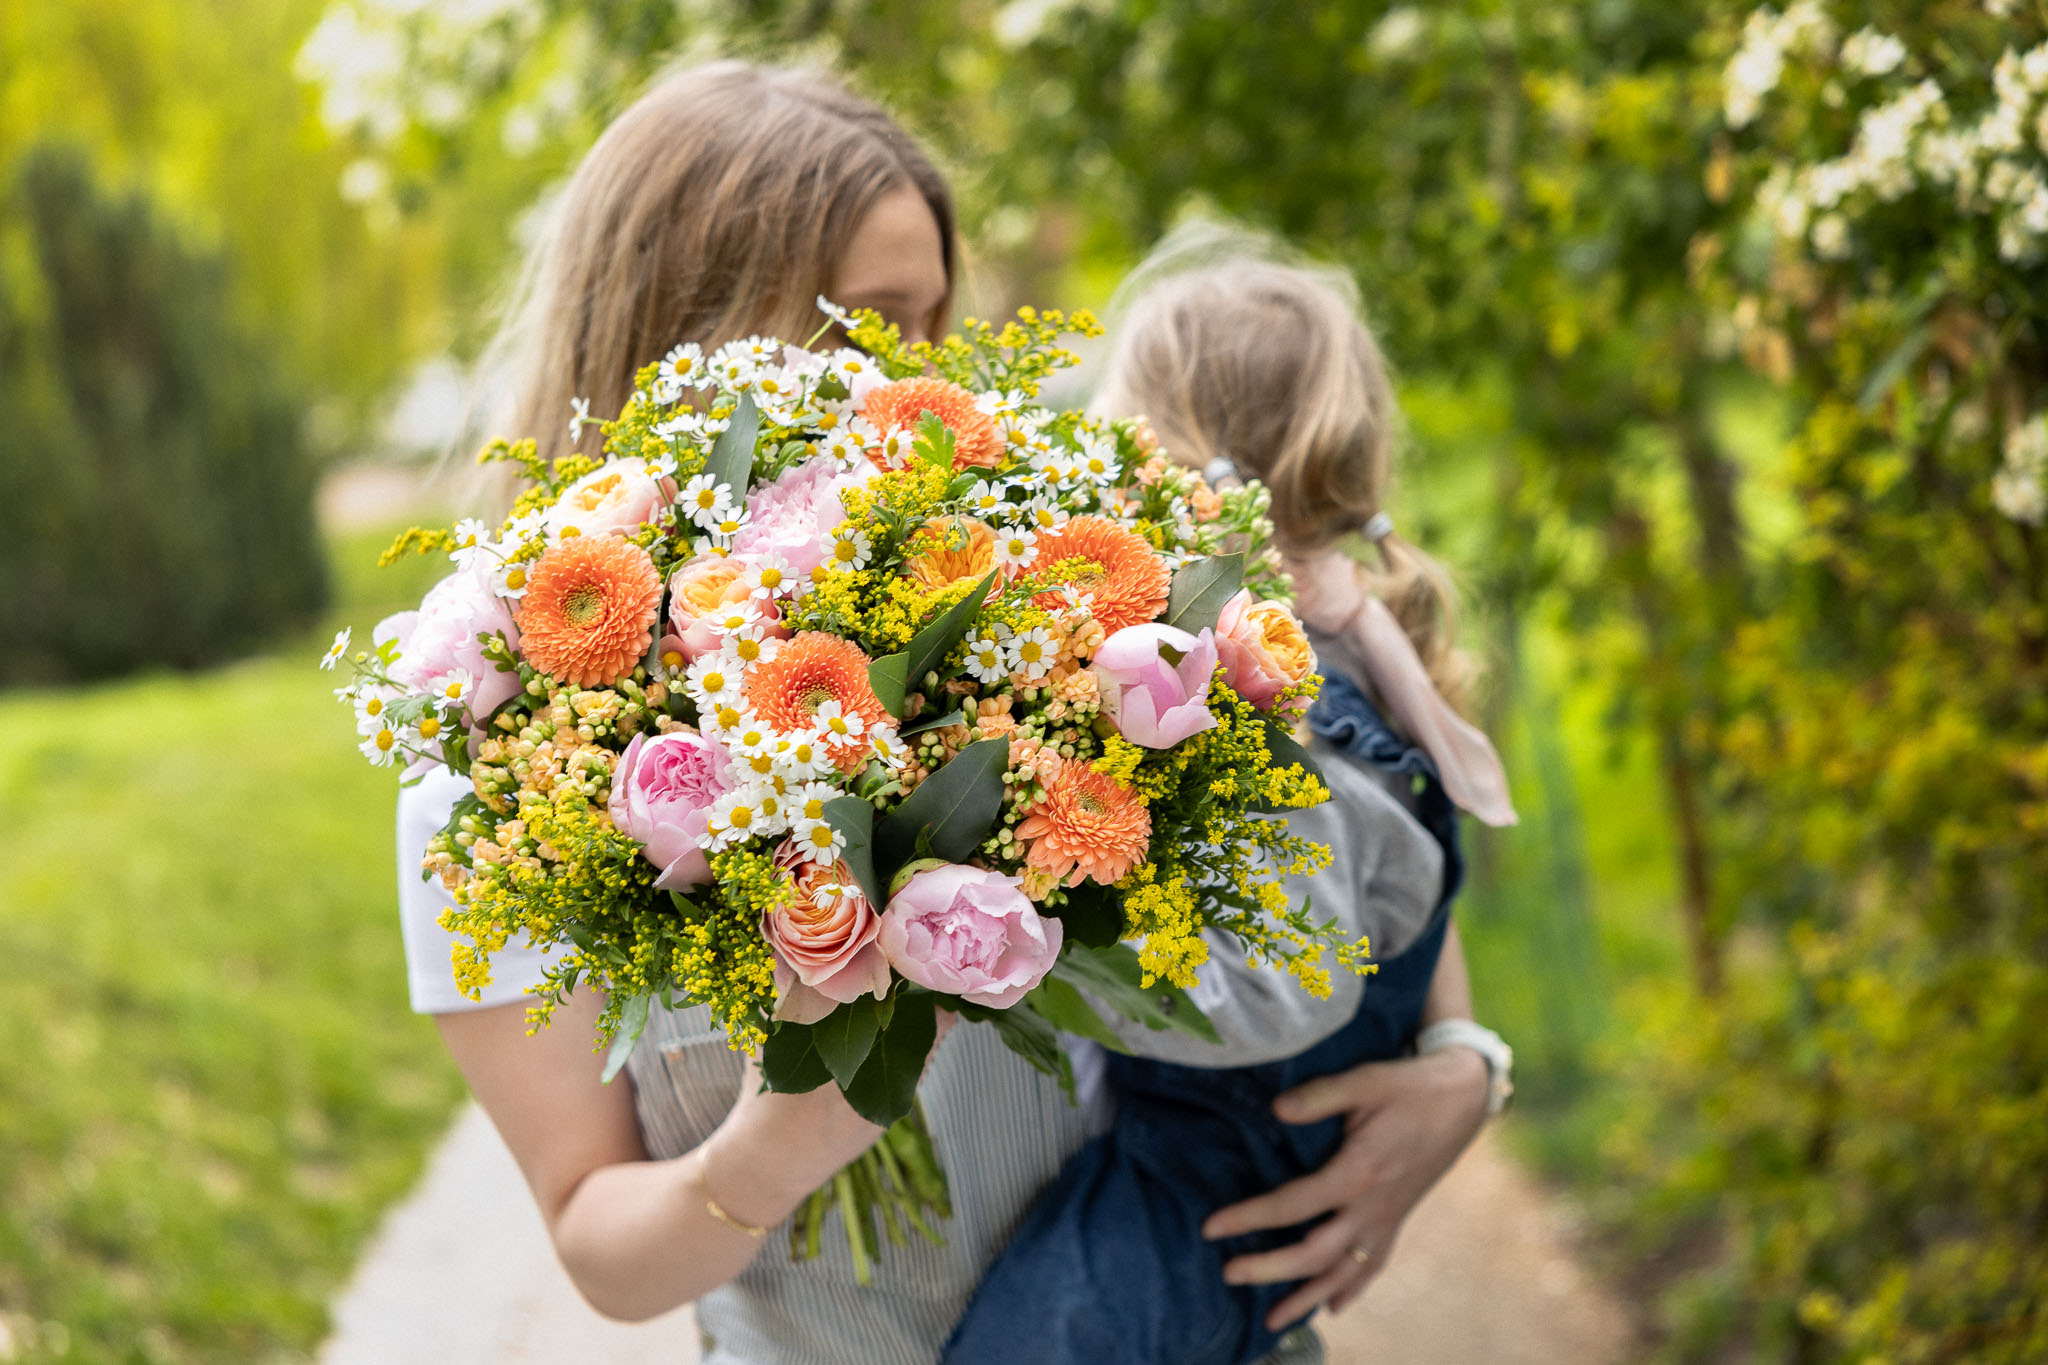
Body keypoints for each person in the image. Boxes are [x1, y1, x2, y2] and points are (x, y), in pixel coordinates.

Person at [395, 65, 1495, 1363]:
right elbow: (596, 1240)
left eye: (932, 324)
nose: (910, 380)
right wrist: (778, 1142)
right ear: (690, 331)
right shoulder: (508, 745)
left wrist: (1463, 1062)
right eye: (867, 324)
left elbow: (1320, 796)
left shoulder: (1019, 593)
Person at [941, 234, 1520, 1365]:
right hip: (1201, 1186)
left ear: (1164, 454)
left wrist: (1031, 957)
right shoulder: (1341, 648)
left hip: (1194, 1205)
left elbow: (1279, 994)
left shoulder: (1283, 701)